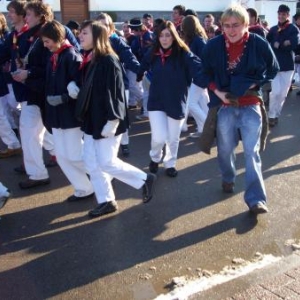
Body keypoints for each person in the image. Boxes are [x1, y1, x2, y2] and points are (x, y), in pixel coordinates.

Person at [200, 4, 279, 214]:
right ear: (222, 26)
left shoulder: (258, 43)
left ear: (246, 25)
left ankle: (256, 199)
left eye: (236, 25)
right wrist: (217, 92)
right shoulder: (213, 45)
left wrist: (256, 83)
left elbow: (274, 68)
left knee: (251, 153)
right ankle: (228, 177)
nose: (231, 30)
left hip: (251, 105)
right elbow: (202, 73)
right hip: (225, 106)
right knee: (225, 150)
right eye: (226, 25)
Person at [73, 20, 156, 218]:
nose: (80, 36)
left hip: (107, 121)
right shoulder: (93, 58)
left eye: (84, 33)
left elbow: (117, 93)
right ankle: (106, 201)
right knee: (91, 162)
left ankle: (144, 179)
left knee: (107, 162)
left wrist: (113, 121)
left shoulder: (109, 60)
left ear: (97, 36)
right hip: (93, 119)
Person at [138, 20, 203, 177]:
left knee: (173, 138)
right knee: (159, 137)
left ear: (174, 37)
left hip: (176, 101)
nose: (164, 39)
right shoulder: (154, 52)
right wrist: (139, 73)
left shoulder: (183, 53)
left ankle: (170, 163)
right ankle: (155, 157)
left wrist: (210, 80)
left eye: (168, 35)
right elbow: (143, 64)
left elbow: (198, 68)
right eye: (161, 36)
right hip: (157, 100)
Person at [40, 20, 94, 202]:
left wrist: (64, 97)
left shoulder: (71, 55)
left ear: (57, 38)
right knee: (62, 157)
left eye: (48, 41)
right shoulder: (54, 56)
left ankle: (103, 175)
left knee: (75, 155)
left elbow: (81, 84)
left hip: (70, 116)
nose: (45, 45)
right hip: (56, 116)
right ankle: (84, 188)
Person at [266, 4, 299, 127]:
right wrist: (283, 43)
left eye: (283, 14)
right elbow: (268, 43)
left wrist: (278, 44)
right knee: (275, 92)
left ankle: (276, 113)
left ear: (288, 15)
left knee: (283, 94)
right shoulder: (273, 29)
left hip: (288, 66)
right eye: (279, 14)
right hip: (275, 65)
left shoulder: (293, 29)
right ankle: (271, 115)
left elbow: (293, 45)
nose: (281, 16)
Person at [181, 15, 209, 138]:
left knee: (192, 104)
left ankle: (209, 126)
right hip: (199, 76)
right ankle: (204, 129)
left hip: (200, 77)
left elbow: (205, 59)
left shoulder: (197, 40)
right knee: (203, 102)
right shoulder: (198, 39)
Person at [0, 12, 22, 158]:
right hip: (4, 81)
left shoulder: (9, 36)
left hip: (10, 80)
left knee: (16, 107)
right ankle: (13, 142)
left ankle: (14, 141)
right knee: (5, 112)